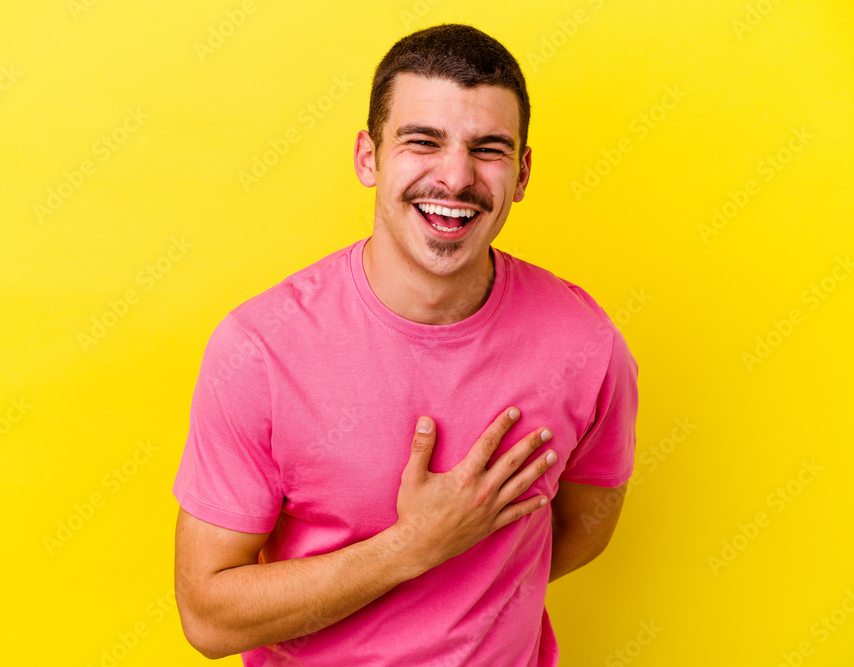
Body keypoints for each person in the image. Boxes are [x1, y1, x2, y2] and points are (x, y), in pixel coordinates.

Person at [172, 23, 638, 666]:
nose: (456, 177)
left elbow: (586, 524)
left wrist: (474, 588)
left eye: (489, 149)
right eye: (423, 141)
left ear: (523, 173)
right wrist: (413, 547)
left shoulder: (586, 344)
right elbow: (208, 619)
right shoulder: (258, 351)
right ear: (369, 157)